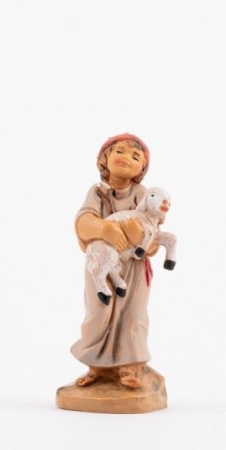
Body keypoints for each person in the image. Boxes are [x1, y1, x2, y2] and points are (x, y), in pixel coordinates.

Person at [71, 133, 159, 389]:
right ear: (104, 159)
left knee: (133, 314)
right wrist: (105, 229)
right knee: (98, 312)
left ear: (142, 169)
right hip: (101, 261)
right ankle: (96, 366)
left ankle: (129, 367)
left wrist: (138, 236)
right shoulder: (97, 192)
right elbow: (83, 221)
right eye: (119, 151)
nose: (126, 158)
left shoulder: (143, 194)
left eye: (135, 156)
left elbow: (153, 240)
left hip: (132, 267)